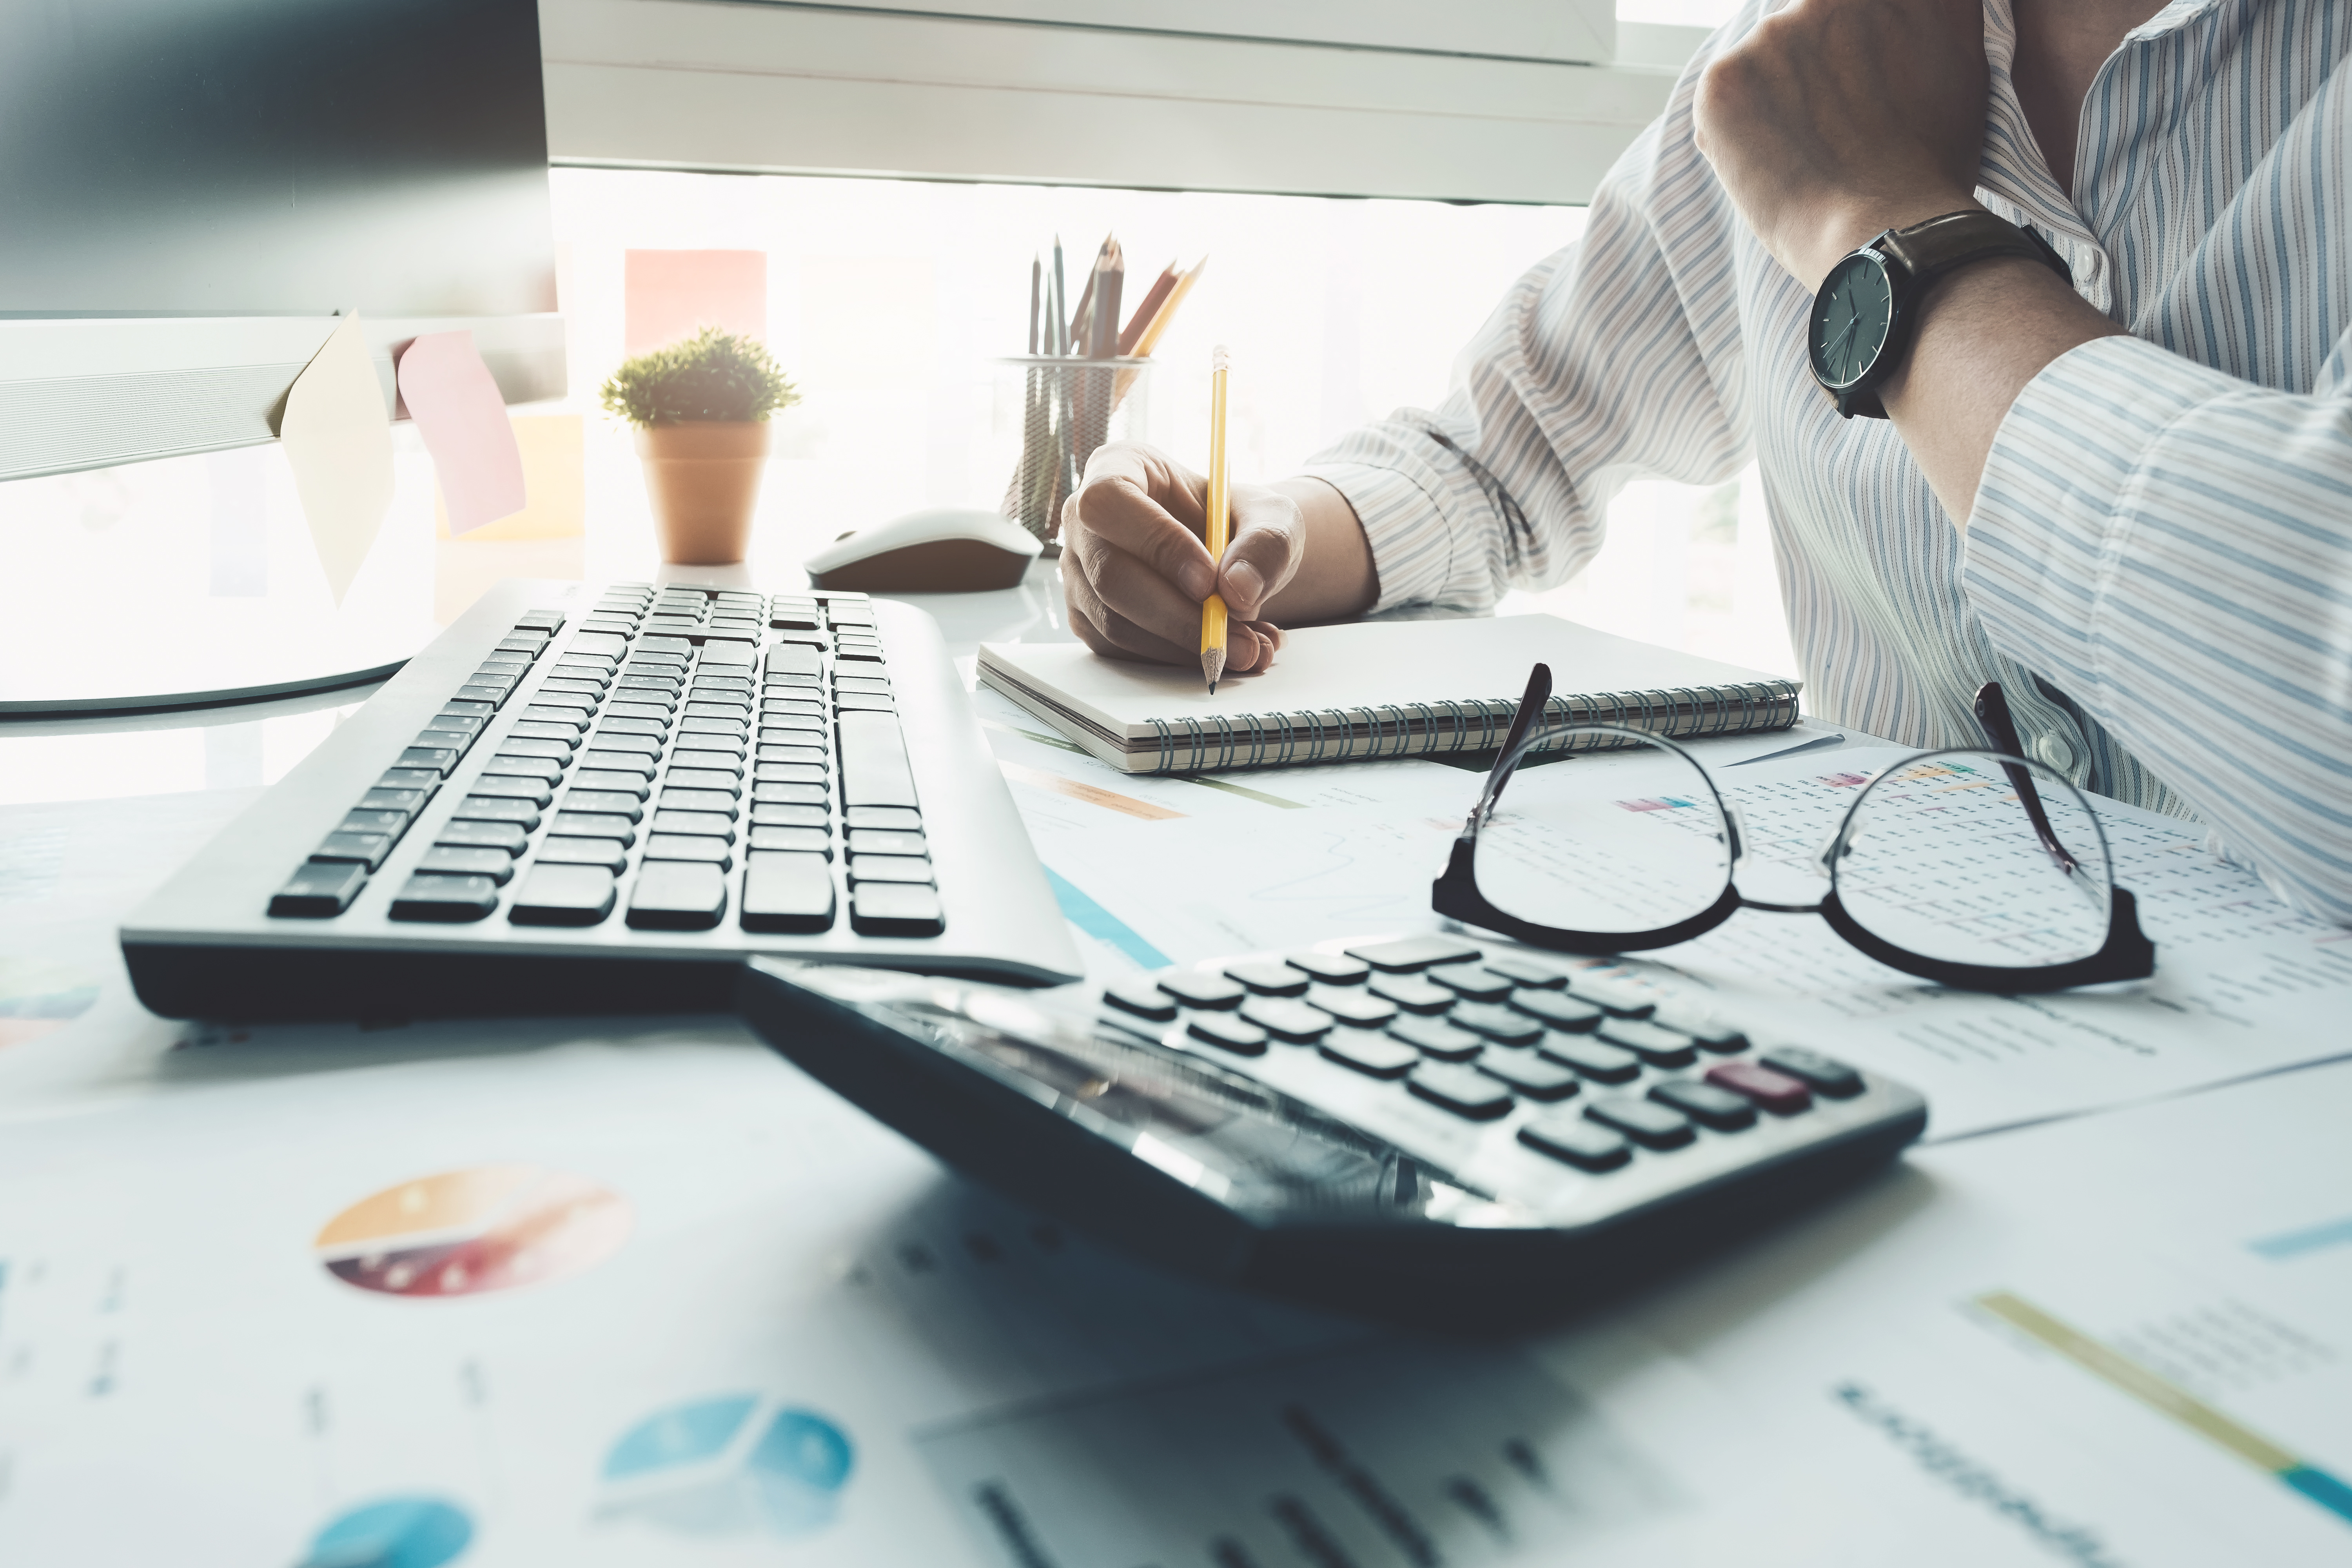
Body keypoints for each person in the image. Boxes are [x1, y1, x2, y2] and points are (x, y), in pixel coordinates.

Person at [1056, 0, 2352, 924]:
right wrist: (1259, 534)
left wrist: (1889, 231)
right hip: (1906, 1035)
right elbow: (1498, 459)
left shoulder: (1827, 125)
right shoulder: (1787, 63)